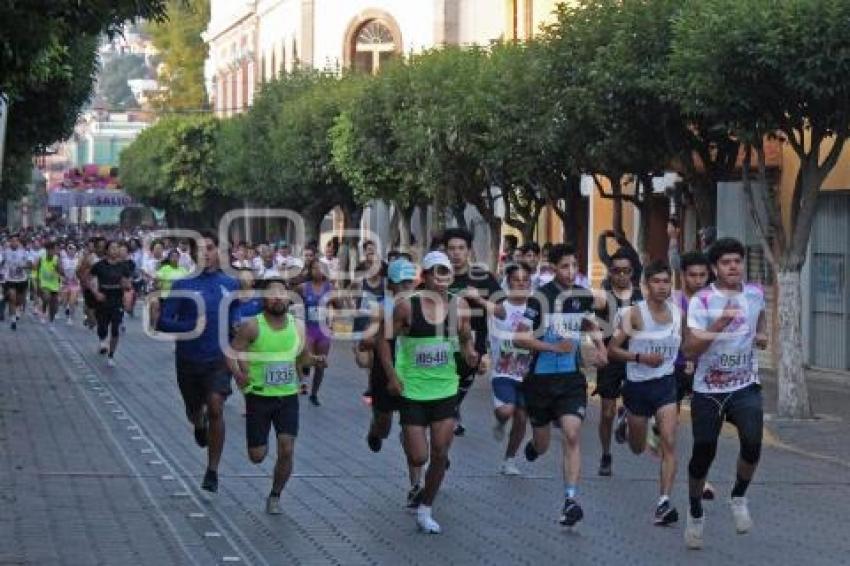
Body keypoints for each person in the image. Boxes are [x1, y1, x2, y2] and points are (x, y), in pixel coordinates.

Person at [381, 251, 479, 533]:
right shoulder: (407, 307)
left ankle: (426, 508)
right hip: (412, 388)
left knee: (440, 452)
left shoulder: (459, 307)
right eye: (435, 273)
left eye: (445, 273)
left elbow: (464, 340)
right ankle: (409, 439)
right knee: (418, 457)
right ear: (424, 277)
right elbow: (383, 341)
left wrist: (472, 355)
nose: (441, 280)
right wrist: (391, 376)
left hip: (445, 388)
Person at [682, 238, 768, 550]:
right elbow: (690, 349)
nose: (734, 267)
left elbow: (760, 315)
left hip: (744, 385)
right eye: (727, 262)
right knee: (703, 453)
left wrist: (762, 333)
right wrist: (720, 322)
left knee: (753, 442)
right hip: (708, 390)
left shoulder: (755, 293)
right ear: (715, 268)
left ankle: (739, 496)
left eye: (738, 261)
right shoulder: (702, 301)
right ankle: (694, 512)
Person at [514, 243, 608, 528]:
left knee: (571, 434)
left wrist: (601, 347)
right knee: (543, 445)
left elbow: (589, 324)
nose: (570, 272)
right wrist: (552, 347)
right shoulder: (540, 298)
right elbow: (520, 338)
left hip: (570, 380)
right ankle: (533, 445)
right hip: (540, 381)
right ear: (553, 268)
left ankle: (570, 500)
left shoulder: (582, 296)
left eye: (574, 266)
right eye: (564, 266)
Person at [227, 277, 326, 514]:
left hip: (288, 396)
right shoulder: (252, 326)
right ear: (264, 300)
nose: (278, 298)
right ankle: (259, 447)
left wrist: (315, 360)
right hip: (259, 397)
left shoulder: (298, 326)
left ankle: (275, 495)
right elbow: (232, 352)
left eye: (283, 294)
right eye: (272, 294)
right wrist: (238, 375)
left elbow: (302, 358)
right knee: (257, 456)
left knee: (287, 448)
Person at [158, 232, 241, 493]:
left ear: (219, 251)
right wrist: (190, 325)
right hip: (188, 359)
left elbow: (239, 311)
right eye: (201, 249)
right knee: (195, 411)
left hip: (218, 358)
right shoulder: (182, 284)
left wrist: (240, 323)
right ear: (193, 254)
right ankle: (198, 422)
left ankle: (212, 470)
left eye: (211, 248)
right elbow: (162, 321)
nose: (206, 253)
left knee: (216, 406)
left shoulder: (230, 283)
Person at [607, 260, 682, 526]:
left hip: (665, 385)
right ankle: (626, 418)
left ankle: (664, 502)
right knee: (637, 448)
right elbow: (612, 349)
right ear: (646, 286)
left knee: (670, 441)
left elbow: (683, 344)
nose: (662, 287)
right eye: (657, 282)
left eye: (666, 282)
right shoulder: (635, 314)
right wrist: (639, 357)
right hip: (638, 387)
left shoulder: (677, 313)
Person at [358, 258, 425, 507]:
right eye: (403, 283)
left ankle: (416, 485)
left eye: (411, 282)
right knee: (385, 426)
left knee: (412, 427)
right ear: (391, 285)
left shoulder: (421, 306)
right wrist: (374, 338)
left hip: (412, 373)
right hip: (384, 372)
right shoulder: (381, 307)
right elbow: (366, 340)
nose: (408, 287)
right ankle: (374, 431)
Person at [443, 228, 501, 436]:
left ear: (468, 251)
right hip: (444, 340)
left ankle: (451, 412)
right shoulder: (438, 277)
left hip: (474, 340)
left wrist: (479, 299)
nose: (456, 253)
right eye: (451, 248)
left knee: (462, 381)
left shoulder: (482, 277)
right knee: (446, 384)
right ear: (445, 251)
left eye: (461, 248)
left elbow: (502, 311)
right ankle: (449, 416)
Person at [594, 248, 643, 477]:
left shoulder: (642, 297)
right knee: (606, 413)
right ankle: (605, 454)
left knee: (639, 407)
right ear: (610, 272)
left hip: (635, 357)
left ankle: (626, 416)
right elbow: (592, 325)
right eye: (616, 271)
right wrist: (600, 350)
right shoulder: (602, 297)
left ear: (633, 272)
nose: (621, 275)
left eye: (626, 271)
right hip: (611, 360)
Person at [674, 251, 715, 500]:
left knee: (703, 429)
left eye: (703, 275)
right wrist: (686, 358)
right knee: (669, 429)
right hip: (674, 368)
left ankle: (703, 479)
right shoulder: (673, 302)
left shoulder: (713, 301)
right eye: (693, 275)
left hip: (704, 369)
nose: (699, 280)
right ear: (683, 276)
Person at [489, 262, 532, 476]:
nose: (521, 284)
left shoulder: (536, 308)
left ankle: (509, 459)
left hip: (527, 374)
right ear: (508, 282)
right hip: (503, 371)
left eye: (526, 281)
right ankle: (500, 420)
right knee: (507, 410)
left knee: (522, 418)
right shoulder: (501, 307)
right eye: (517, 280)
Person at [296, 259, 343, 406]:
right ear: (310, 271)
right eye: (315, 268)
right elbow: (291, 300)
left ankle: (314, 394)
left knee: (321, 363)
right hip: (308, 329)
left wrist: (336, 298)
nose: (318, 271)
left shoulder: (330, 288)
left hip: (323, 331)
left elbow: (339, 307)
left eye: (321, 268)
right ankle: (302, 381)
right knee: (305, 359)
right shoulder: (303, 287)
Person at [89, 241, 132, 367]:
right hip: (103, 298)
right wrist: (96, 292)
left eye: (117, 248)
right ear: (107, 250)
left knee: (115, 329)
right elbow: (90, 279)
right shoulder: (99, 266)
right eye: (112, 248)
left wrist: (127, 286)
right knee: (102, 327)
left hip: (117, 299)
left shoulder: (123, 266)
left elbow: (128, 283)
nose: (115, 250)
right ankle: (102, 340)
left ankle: (111, 355)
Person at [2, 235, 30, 330]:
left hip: (22, 280)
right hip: (10, 279)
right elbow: (1, 262)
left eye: (16, 241)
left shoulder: (23, 252)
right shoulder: (5, 251)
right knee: (12, 298)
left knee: (20, 300)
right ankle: (13, 320)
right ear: (10, 242)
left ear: (18, 242)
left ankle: (18, 309)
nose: (14, 243)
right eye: (12, 241)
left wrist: (24, 266)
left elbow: (29, 264)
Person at [35, 241, 63, 324]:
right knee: (46, 298)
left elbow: (61, 272)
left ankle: (51, 320)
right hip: (44, 283)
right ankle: (43, 312)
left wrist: (57, 268)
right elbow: (37, 270)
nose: (52, 252)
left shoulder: (57, 259)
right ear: (47, 250)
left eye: (54, 250)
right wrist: (38, 282)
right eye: (51, 250)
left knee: (54, 306)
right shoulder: (41, 258)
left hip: (54, 284)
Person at [60, 242, 81, 324]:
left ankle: (70, 318)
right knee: (64, 301)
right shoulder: (63, 260)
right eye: (70, 249)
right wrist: (62, 278)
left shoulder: (78, 260)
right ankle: (66, 308)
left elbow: (81, 271)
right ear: (67, 250)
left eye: (73, 249)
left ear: (75, 251)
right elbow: (59, 271)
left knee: (72, 301)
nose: (71, 251)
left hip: (75, 283)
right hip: (65, 283)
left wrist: (77, 277)